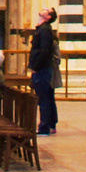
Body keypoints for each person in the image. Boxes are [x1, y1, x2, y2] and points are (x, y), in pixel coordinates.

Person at [28, 7, 59, 135]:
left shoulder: (45, 30)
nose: (43, 9)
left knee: (44, 98)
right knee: (47, 97)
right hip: (42, 68)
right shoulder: (43, 29)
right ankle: (50, 124)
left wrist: (36, 67)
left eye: (47, 10)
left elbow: (44, 50)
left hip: (42, 69)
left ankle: (44, 127)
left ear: (48, 17)